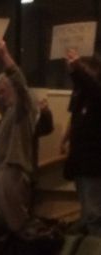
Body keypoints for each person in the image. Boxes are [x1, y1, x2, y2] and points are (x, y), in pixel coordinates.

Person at [0, 39, 37, 233]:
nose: (0, 96)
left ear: (13, 89)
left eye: (3, 92)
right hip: (2, 168)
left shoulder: (23, 108)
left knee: (16, 223)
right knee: (6, 223)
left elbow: (19, 81)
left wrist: (4, 55)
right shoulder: (8, 112)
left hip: (13, 170)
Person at [63, 49, 101, 236]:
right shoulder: (81, 97)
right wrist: (73, 70)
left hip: (94, 165)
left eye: (86, 71)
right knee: (86, 212)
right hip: (81, 163)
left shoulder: (97, 95)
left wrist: (77, 69)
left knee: (94, 213)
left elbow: (91, 86)